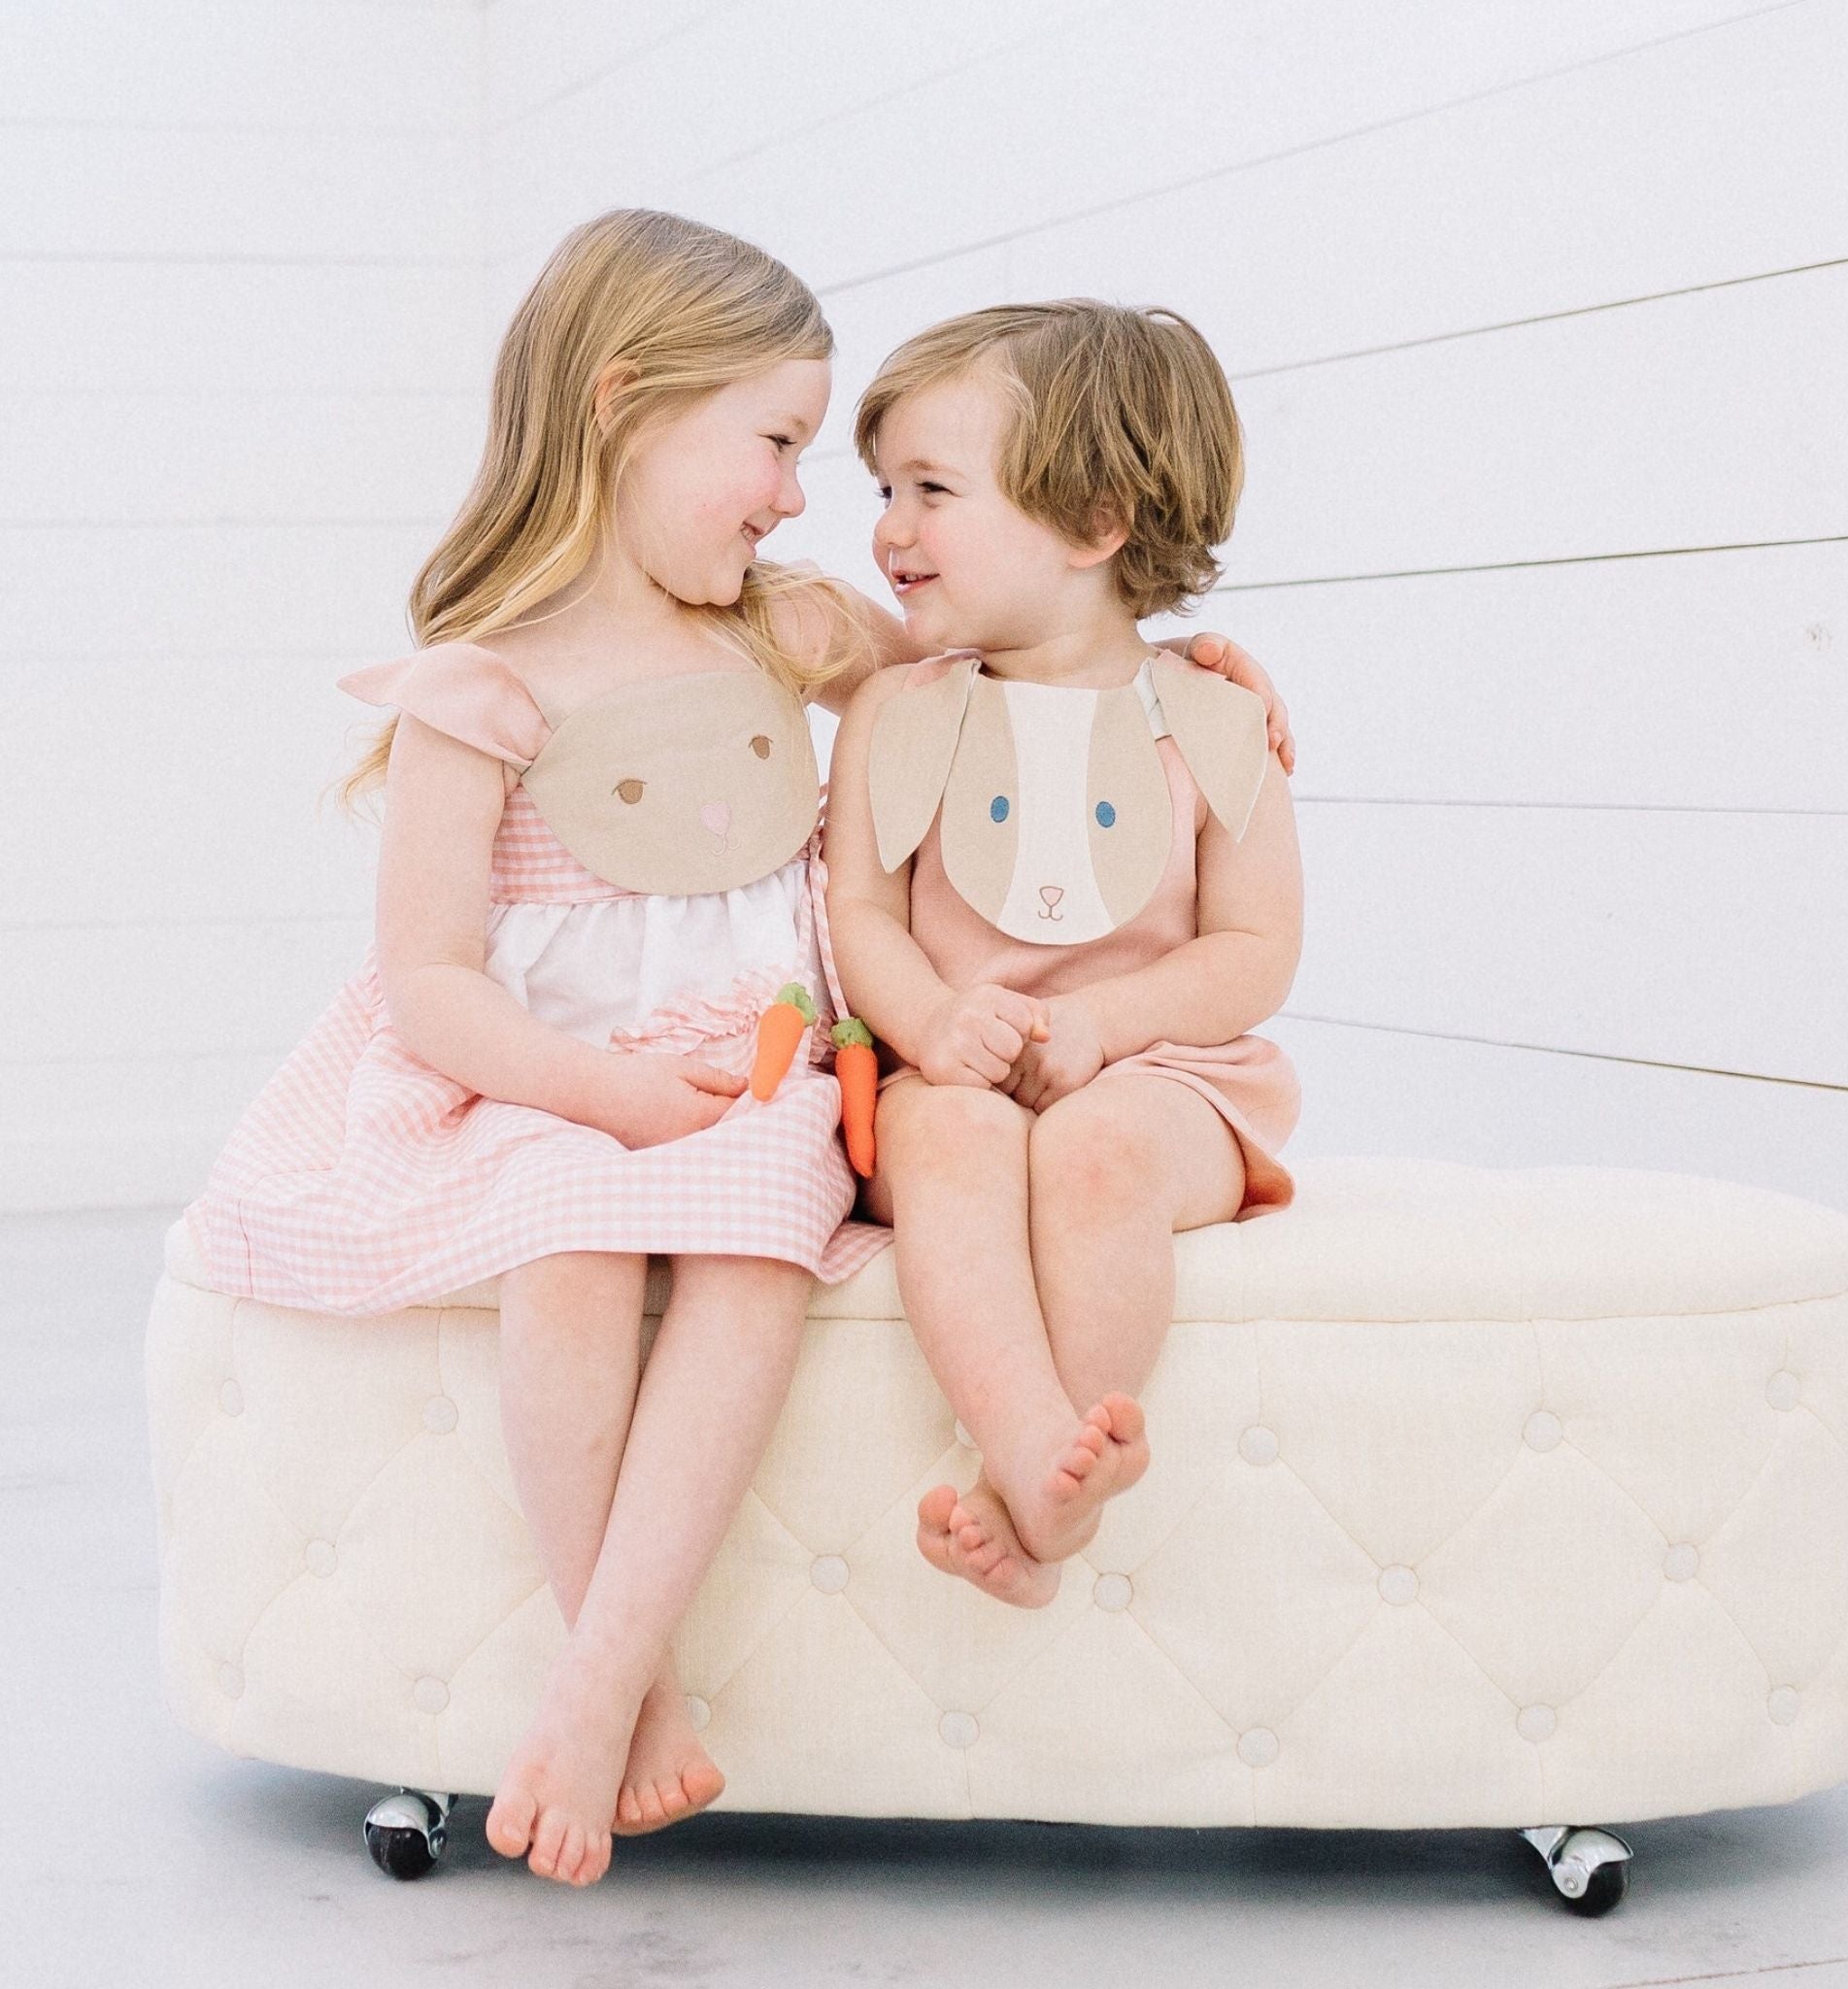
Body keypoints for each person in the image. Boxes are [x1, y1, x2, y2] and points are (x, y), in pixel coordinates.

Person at [181, 218, 1290, 1886]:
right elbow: (429, 983)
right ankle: (620, 1691)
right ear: (628, 405)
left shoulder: (788, 629)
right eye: (774, 443)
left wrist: (1195, 665)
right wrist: (604, 1097)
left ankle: (594, 1695)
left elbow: (1034, 645)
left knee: (759, 1232)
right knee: (567, 1257)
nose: (794, 498)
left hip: (750, 1075)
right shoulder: (478, 688)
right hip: (544, 1075)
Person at [825, 301, 1306, 1614]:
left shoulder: (1212, 718)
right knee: (951, 1138)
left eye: (932, 490)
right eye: (884, 491)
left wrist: (1108, 1027)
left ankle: (1039, 1482)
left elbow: (1257, 949)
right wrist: (933, 1025)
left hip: (1167, 1079)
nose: (890, 529)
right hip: (950, 1069)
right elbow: (859, 911)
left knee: (1097, 1150)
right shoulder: (895, 711)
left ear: (1094, 523)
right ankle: (1036, 1455)